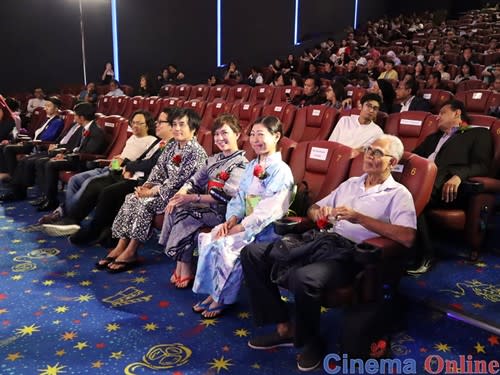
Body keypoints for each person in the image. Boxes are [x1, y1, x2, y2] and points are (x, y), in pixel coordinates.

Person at [242, 134, 416, 372]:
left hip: (353, 253)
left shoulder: (398, 194)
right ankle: (285, 327)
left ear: (392, 162)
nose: (368, 155)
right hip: (322, 240)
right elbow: (314, 209)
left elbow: (407, 236)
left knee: (304, 278)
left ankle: (311, 341)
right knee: (252, 253)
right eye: (368, 149)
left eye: (376, 152)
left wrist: (360, 218)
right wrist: (319, 213)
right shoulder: (351, 183)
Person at [191, 116, 294, 319]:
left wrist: (241, 227)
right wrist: (231, 219)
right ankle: (213, 293)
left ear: (276, 136)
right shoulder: (252, 164)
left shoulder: (281, 170)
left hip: (265, 229)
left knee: (225, 246)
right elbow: (239, 196)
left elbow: (269, 210)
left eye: (261, 134)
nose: (256, 140)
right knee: (211, 237)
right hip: (245, 222)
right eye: (253, 134)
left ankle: (222, 298)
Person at [40, 108, 176, 242]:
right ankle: (71, 219)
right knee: (90, 183)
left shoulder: (165, 143)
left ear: (171, 126)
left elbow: (151, 164)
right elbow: (143, 160)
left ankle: (88, 228)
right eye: (133, 122)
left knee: (104, 190)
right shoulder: (159, 143)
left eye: (160, 122)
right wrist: (125, 164)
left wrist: (128, 165)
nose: (157, 124)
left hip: (140, 180)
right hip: (125, 172)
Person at [102, 108, 207, 273]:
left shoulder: (196, 152)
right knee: (132, 197)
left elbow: (179, 182)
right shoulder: (172, 146)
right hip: (163, 190)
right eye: (174, 125)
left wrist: (151, 192)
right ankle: (122, 245)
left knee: (145, 203)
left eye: (182, 125)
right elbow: (158, 169)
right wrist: (148, 185)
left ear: (193, 128)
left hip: (182, 195)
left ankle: (131, 251)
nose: (177, 128)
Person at [160, 114, 248, 288]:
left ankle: (184, 266)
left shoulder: (242, 163)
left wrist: (192, 197)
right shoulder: (213, 159)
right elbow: (194, 180)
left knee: (187, 212)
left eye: (225, 133)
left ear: (237, 134)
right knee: (176, 206)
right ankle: (181, 264)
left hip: (225, 212)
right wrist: (180, 195)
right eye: (216, 134)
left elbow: (226, 196)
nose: (220, 138)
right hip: (206, 206)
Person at [408, 100, 493, 274]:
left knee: (409, 197)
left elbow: (482, 165)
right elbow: (413, 157)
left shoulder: (478, 134)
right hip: (422, 183)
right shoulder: (433, 137)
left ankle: (426, 254)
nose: (437, 117)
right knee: (398, 193)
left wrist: (459, 176)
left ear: (457, 113)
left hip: (448, 187)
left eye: (443, 113)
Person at [35, 102, 108, 211]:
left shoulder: (96, 132)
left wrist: (66, 157)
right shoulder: (84, 127)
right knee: (45, 162)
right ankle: (47, 196)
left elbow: (87, 153)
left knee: (51, 164)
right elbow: (76, 147)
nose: (74, 118)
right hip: (75, 158)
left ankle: (52, 200)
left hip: (83, 162)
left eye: (75, 115)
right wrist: (64, 154)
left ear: (82, 117)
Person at [0, 96, 64, 179]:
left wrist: (32, 141)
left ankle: (13, 176)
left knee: (8, 148)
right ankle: (11, 174)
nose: (45, 108)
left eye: (48, 106)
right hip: (33, 142)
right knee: (5, 147)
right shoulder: (47, 119)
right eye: (45, 106)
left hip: (38, 145)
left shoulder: (57, 122)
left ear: (56, 108)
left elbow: (48, 137)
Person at [328, 93, 384, 157]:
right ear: (360, 106)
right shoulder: (345, 120)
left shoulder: (378, 132)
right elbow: (331, 143)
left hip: (355, 162)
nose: (371, 110)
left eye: (375, 108)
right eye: (368, 106)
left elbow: (366, 151)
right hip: (333, 157)